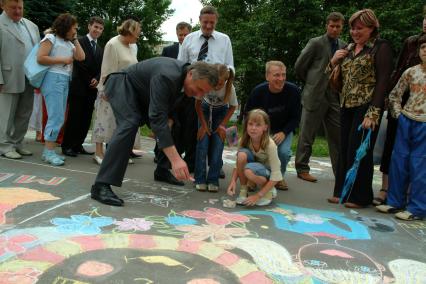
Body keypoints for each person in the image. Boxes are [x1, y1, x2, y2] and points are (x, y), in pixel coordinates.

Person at [90, 58, 219, 206]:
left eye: (204, 93)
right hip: (123, 83)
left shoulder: (187, 83)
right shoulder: (167, 75)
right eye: (200, 89)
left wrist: (170, 120)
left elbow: (169, 112)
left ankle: (162, 170)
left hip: (143, 94)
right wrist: (176, 159)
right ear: (191, 74)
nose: (200, 95)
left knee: (176, 126)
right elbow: (157, 117)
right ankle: (101, 185)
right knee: (129, 124)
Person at [327, 9, 393, 208]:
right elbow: (331, 75)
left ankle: (360, 197)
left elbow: (383, 81)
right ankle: (341, 192)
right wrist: (333, 61)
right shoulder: (348, 47)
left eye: (360, 29)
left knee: (360, 150)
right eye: (353, 28)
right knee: (344, 148)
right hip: (346, 104)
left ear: (372, 28)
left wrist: (374, 112)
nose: (355, 32)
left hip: (366, 107)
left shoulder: (380, 47)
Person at [176, 5, 234, 180]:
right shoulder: (190, 39)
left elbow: (231, 66)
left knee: (215, 131)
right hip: (193, 90)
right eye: (205, 22)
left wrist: (223, 79)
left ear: (216, 21)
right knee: (194, 128)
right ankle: (194, 163)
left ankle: (216, 164)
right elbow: (181, 64)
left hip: (216, 94)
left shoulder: (224, 39)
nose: (208, 26)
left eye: (212, 23)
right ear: (200, 20)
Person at [373, 14, 426, 206]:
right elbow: (398, 71)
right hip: (404, 109)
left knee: (419, 159)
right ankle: (389, 192)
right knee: (395, 153)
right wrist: (394, 106)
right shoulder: (411, 43)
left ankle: (414, 199)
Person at [294, 12, 345, 182]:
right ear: (326, 25)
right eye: (332, 25)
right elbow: (300, 66)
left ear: (342, 27)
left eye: (338, 26)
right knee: (307, 134)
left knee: (338, 136)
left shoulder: (344, 46)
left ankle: (340, 173)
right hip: (314, 95)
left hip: (334, 96)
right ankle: (302, 168)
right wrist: (311, 83)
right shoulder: (316, 43)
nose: (335, 29)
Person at [244, 61, 302, 191]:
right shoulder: (258, 92)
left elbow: (296, 118)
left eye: (283, 75)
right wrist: (255, 132)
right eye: (276, 75)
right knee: (254, 152)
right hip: (261, 129)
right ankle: (253, 176)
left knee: (283, 152)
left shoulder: (294, 91)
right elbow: (248, 115)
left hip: (283, 129)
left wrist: (284, 132)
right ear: (267, 76)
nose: (281, 79)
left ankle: (278, 176)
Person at [37, 13, 85, 166]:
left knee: (59, 116)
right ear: (66, 26)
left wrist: (75, 39)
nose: (76, 30)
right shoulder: (50, 38)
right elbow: (41, 57)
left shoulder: (69, 43)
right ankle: (49, 152)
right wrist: (62, 60)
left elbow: (81, 57)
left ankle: (48, 151)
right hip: (53, 78)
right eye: (74, 28)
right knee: (56, 116)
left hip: (64, 79)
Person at [91, 19, 140, 165]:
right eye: (136, 34)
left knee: (120, 124)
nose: (138, 37)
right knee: (104, 121)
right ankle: (98, 153)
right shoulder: (113, 44)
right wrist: (105, 91)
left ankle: (117, 154)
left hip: (126, 90)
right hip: (110, 89)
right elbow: (107, 70)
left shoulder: (133, 46)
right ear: (129, 32)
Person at [0, 0, 40, 159]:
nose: (17, 11)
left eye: (20, 8)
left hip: (30, 77)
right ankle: (4, 145)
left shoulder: (32, 26)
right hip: (8, 76)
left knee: (24, 112)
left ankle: (17, 142)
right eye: (13, 8)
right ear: (2, 5)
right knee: (6, 114)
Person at [61, 16, 104, 157]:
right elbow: (79, 64)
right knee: (74, 118)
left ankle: (78, 145)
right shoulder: (79, 41)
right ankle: (67, 145)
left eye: (100, 28)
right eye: (95, 26)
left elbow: (101, 67)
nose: (97, 30)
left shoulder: (99, 48)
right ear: (89, 26)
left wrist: (97, 79)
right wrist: (89, 79)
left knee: (85, 119)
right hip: (79, 86)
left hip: (92, 89)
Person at [153, 21, 192, 165]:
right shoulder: (169, 50)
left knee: (181, 126)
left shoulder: (193, 49)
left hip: (186, 94)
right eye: (180, 35)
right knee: (165, 123)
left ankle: (177, 154)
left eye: (185, 35)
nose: (182, 37)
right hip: (170, 93)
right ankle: (158, 153)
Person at [195, 64, 238, 192]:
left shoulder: (230, 89)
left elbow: (233, 106)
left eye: (220, 83)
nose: (217, 86)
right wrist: (203, 125)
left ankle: (213, 179)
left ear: (226, 80)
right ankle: (200, 179)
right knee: (202, 143)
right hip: (205, 110)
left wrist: (222, 125)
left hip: (221, 112)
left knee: (218, 144)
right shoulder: (205, 83)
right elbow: (197, 105)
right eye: (215, 83)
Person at [227, 109, 282, 206]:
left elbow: (276, 174)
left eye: (258, 125)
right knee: (241, 155)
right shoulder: (243, 140)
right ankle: (244, 190)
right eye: (250, 124)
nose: (253, 128)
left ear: (265, 127)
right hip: (254, 168)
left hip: (267, 172)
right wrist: (233, 181)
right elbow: (238, 164)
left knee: (248, 170)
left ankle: (268, 192)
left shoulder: (270, 145)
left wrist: (258, 196)